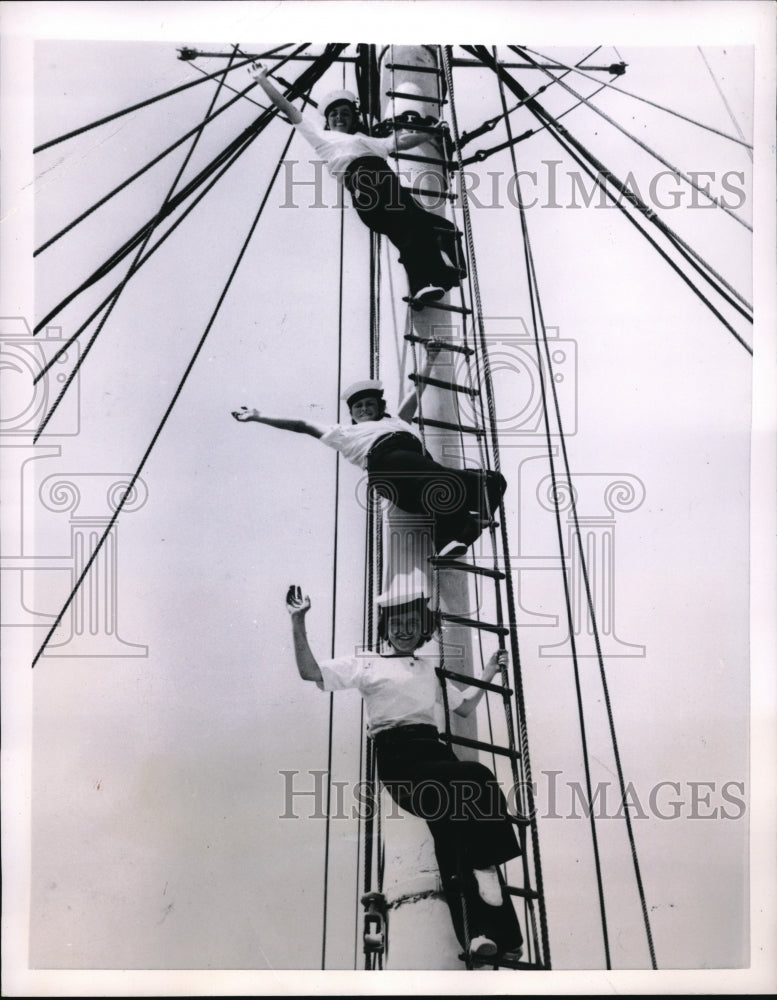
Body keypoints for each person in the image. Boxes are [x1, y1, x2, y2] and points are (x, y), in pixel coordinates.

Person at [286, 575, 524, 961]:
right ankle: (485, 867)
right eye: (396, 622)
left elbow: (462, 706)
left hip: (434, 751)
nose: (403, 629)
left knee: (453, 839)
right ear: (385, 627)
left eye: (412, 622)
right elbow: (311, 672)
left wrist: (489, 672)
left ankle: (487, 937)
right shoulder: (367, 664)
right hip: (400, 760)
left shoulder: (427, 670)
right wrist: (298, 621)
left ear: (422, 628)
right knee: (477, 778)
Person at [231, 341, 506, 559]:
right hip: (390, 466)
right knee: (434, 479)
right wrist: (258, 416)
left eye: (369, 404)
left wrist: (430, 357)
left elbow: (417, 391)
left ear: (380, 407)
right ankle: (456, 529)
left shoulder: (398, 421)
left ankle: (459, 535)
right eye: (358, 407)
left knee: (492, 482)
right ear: (351, 414)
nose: (364, 409)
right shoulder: (345, 433)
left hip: (419, 477)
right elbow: (302, 424)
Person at [250, 61, 465, 303]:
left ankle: (442, 277)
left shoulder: (370, 141)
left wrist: (431, 133)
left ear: (354, 119)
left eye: (345, 113)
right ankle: (425, 281)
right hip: (365, 182)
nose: (339, 117)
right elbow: (290, 111)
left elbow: (399, 142)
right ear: (327, 122)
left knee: (433, 226)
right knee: (409, 227)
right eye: (334, 115)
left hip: (386, 182)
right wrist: (263, 81)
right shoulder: (321, 138)